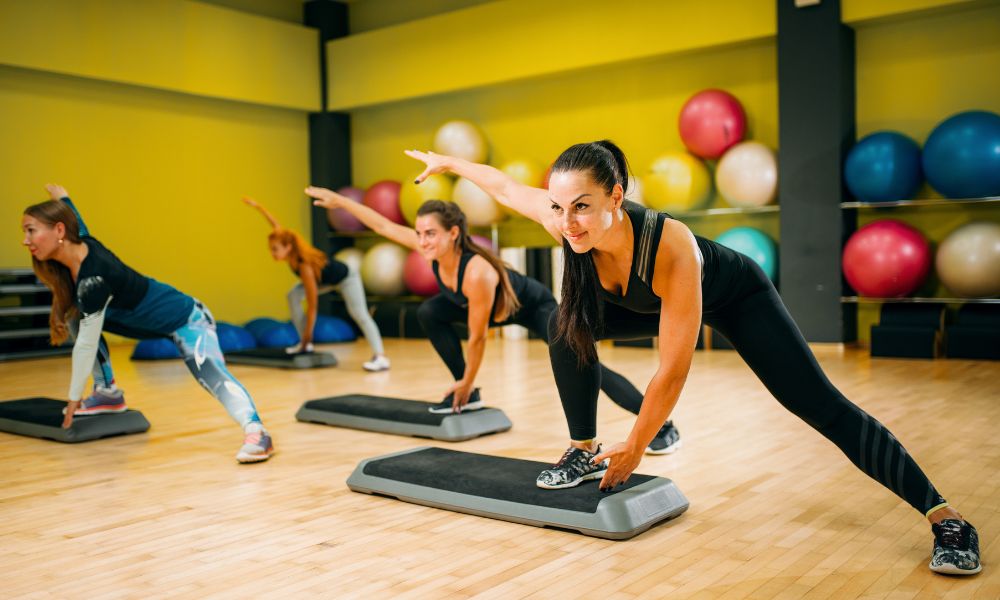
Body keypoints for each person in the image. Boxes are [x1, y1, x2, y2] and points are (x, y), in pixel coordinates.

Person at [405, 142, 981, 575]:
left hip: (736, 298)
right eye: (559, 206)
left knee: (818, 404)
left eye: (582, 205)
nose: (568, 220)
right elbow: (504, 187)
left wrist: (637, 443)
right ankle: (582, 449)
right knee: (564, 325)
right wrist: (450, 163)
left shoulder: (669, 244)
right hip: (647, 302)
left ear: (616, 196)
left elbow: (674, 367)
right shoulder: (564, 221)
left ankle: (946, 518)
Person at [306, 186, 681, 457]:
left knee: (585, 365)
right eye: (419, 234)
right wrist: (341, 202)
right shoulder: (432, 250)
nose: (423, 241)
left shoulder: (476, 272)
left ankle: (660, 425)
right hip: (494, 310)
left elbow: (478, 337)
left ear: (454, 234)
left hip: (532, 307)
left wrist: (468, 380)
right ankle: (468, 395)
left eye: (430, 233)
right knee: (430, 311)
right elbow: (384, 227)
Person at [21, 184, 273, 463]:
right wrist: (63, 197)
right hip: (143, 323)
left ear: (59, 231)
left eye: (31, 230)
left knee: (211, 375)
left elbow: (86, 346)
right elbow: (76, 219)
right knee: (75, 316)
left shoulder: (94, 278)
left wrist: (73, 400)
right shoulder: (81, 242)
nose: (25, 240)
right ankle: (108, 394)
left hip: (187, 319)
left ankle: (257, 432)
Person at [242, 197, 389, 371]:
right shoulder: (288, 247)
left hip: (346, 278)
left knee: (359, 314)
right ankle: (305, 344)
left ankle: (380, 357)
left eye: (275, 249)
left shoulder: (305, 266)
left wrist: (307, 336)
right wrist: (258, 206)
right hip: (324, 281)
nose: (272, 253)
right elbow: (274, 223)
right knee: (293, 295)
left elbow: (312, 306)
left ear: (288, 247)